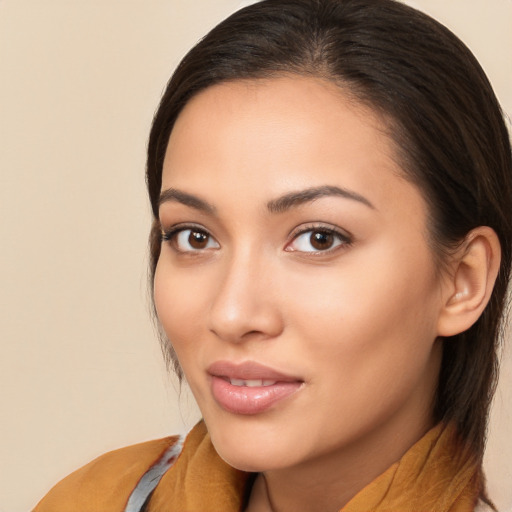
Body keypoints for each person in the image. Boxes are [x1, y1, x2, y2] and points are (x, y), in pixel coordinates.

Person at [34, 0, 512, 511]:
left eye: (318, 239)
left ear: (463, 280)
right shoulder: (90, 500)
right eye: (195, 237)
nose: (232, 314)